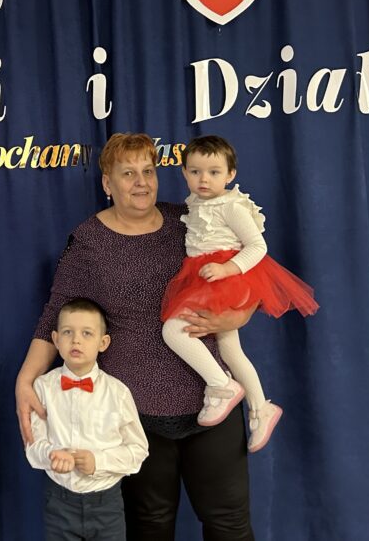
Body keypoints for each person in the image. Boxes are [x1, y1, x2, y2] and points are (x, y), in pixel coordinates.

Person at [16, 132, 256, 541]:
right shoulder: (88, 242)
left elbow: (249, 273)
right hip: (135, 415)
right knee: (150, 527)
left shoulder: (192, 219)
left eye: (149, 171)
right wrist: (25, 379)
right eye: (128, 173)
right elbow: (54, 315)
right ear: (107, 183)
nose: (141, 182)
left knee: (229, 525)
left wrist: (238, 314)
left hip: (213, 401)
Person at [160, 135, 318, 452]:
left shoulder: (231, 206)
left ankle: (221, 386)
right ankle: (261, 408)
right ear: (184, 172)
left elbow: (258, 246)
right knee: (231, 350)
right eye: (195, 171)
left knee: (173, 331)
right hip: (204, 276)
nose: (204, 179)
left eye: (214, 172)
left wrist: (228, 269)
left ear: (230, 174)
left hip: (226, 277)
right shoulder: (195, 203)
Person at [25, 298, 149, 541]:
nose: (76, 340)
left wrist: (98, 461)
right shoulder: (42, 388)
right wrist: (52, 454)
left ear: (103, 343)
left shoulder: (118, 392)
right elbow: (32, 445)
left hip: (107, 504)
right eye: (67, 332)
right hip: (59, 502)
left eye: (87, 333)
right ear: (55, 339)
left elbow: (138, 449)